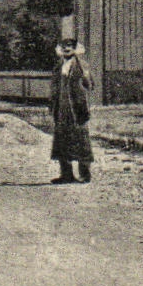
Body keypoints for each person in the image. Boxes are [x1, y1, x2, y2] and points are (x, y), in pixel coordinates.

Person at [50, 32, 96, 184]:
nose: (67, 49)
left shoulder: (82, 65)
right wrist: (53, 106)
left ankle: (85, 174)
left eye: (70, 46)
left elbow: (90, 85)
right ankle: (66, 174)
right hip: (62, 108)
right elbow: (54, 88)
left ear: (76, 49)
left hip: (77, 108)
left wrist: (85, 77)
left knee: (81, 139)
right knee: (62, 139)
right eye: (64, 46)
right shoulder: (58, 66)